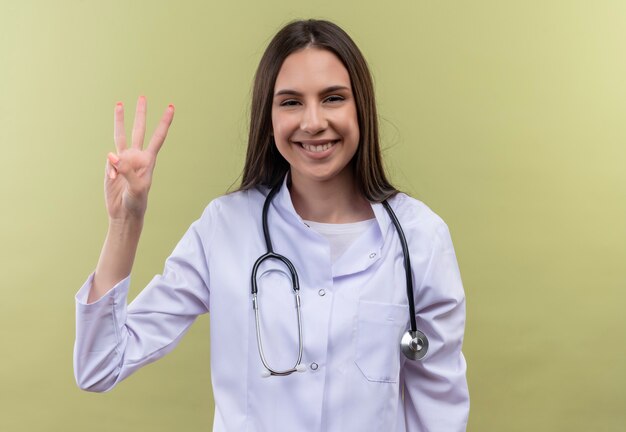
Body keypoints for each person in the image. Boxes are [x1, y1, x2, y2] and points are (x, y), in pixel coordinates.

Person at [74, 19, 469, 431]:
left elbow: (438, 413)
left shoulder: (421, 238)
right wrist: (125, 222)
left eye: (333, 98)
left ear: (361, 107)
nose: (313, 122)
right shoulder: (226, 228)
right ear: (269, 115)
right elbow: (100, 366)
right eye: (291, 102)